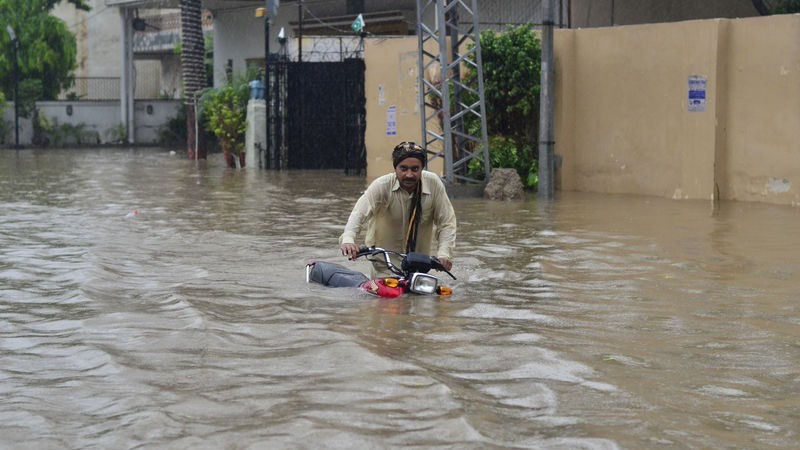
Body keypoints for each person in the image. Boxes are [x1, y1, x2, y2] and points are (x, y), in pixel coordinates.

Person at [339, 141, 457, 276]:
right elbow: (358, 215)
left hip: (419, 266)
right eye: (403, 168)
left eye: (415, 169)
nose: (409, 175)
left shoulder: (433, 184)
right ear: (395, 168)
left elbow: (447, 223)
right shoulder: (382, 186)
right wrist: (348, 240)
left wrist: (444, 254)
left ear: (422, 168)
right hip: (384, 266)